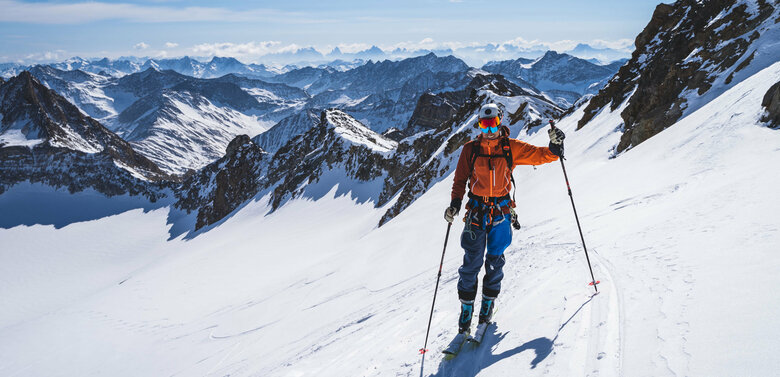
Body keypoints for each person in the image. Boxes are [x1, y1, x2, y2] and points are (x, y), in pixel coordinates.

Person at [444, 103, 565, 335]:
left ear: (500, 121)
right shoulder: (470, 150)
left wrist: (554, 146)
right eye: (484, 125)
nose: (489, 130)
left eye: (492, 124)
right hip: (477, 213)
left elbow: (541, 156)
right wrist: (455, 204)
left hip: (500, 212)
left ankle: (487, 304)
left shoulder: (511, 148)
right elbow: (459, 180)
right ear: (479, 125)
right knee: (471, 263)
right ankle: (467, 308)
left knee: (495, 261)